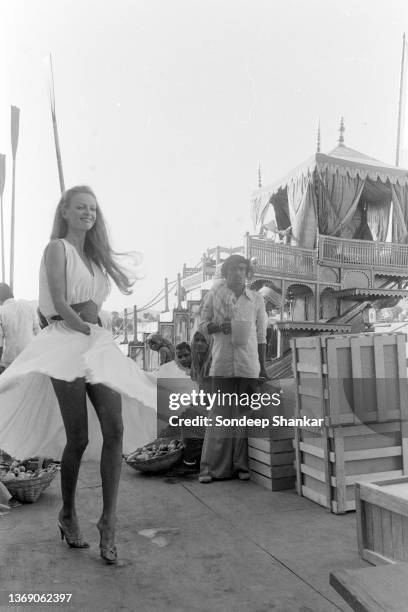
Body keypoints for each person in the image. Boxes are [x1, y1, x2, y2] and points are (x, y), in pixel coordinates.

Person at [0, 185, 156, 565]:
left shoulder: (95, 260)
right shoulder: (57, 249)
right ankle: (67, 512)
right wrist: (86, 329)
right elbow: (58, 302)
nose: (88, 213)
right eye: (81, 207)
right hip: (65, 342)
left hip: (93, 340)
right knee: (80, 438)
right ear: (65, 212)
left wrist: (97, 328)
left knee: (115, 429)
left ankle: (109, 520)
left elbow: (93, 306)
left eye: (92, 208)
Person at [198, 254, 268, 483]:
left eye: (242, 269)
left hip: (249, 365)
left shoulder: (256, 299)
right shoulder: (214, 294)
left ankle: (241, 466)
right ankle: (210, 469)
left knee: (242, 417)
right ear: (225, 272)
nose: (238, 273)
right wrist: (219, 326)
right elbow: (202, 324)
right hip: (222, 363)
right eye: (233, 269)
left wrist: (263, 367)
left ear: (247, 273)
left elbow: (261, 335)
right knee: (220, 415)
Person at [0, 283, 39, 371]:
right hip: (29, 357)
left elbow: (0, 344)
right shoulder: (27, 306)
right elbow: (37, 331)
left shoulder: (1, 312)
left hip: (11, 361)